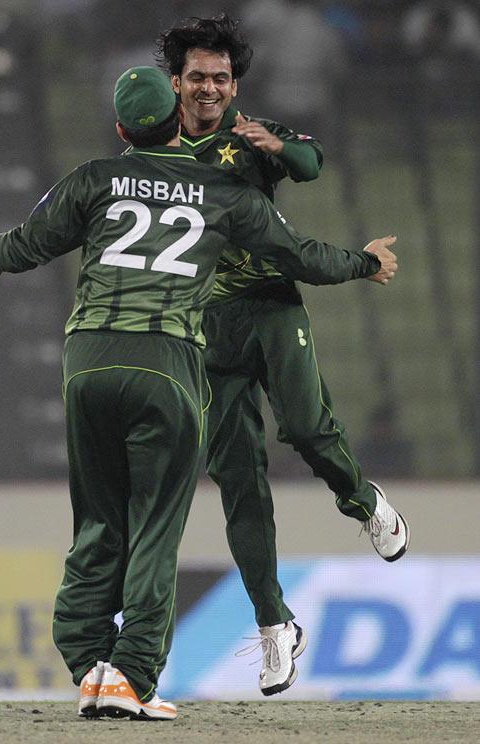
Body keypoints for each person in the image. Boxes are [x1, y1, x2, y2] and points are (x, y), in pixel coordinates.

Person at [0, 67, 397, 715]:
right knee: (155, 525)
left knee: (98, 519)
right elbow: (299, 256)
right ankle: (131, 677)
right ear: (179, 116)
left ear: (121, 129)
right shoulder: (225, 192)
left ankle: (88, 660)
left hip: (88, 362)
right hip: (167, 365)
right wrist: (366, 262)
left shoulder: (93, 179)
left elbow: (27, 243)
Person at [157, 14, 410, 696]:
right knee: (238, 478)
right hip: (203, 326)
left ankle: (363, 501)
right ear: (176, 82)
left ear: (233, 82)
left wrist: (279, 142)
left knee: (303, 426)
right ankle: (275, 627)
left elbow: (312, 162)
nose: (210, 88)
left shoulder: (251, 137)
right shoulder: (154, 149)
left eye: (221, 77)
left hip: (270, 304)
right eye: (198, 78)